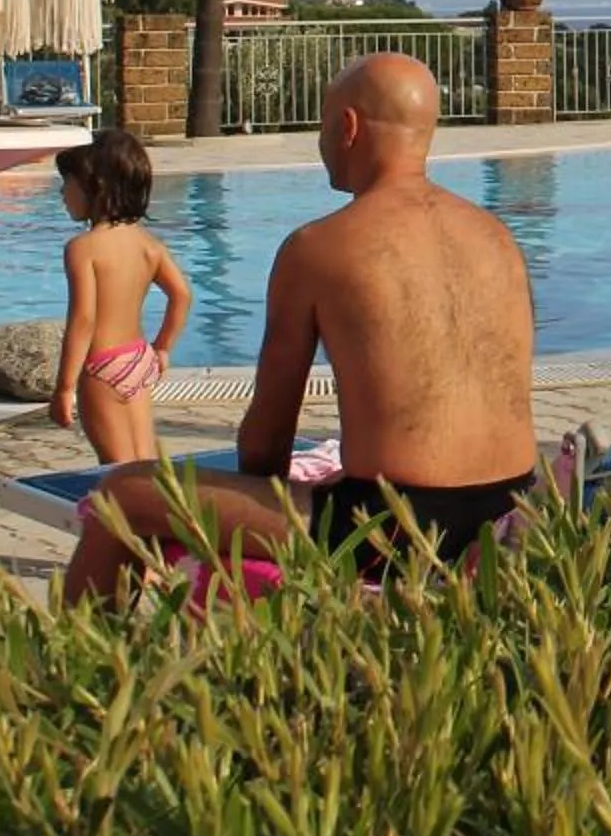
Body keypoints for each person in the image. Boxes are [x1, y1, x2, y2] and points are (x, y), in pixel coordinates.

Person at [60, 55, 537, 605]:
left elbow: (266, 440)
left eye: (324, 123)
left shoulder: (318, 248)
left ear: (349, 127)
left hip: (391, 528)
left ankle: (81, 675)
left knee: (122, 492)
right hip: (509, 508)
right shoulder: (497, 237)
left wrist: (261, 501)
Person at [48, 132, 194, 467]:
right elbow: (182, 295)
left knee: (117, 469)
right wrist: (163, 348)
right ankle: (157, 516)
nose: (61, 193)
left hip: (101, 368)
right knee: (144, 462)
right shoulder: (148, 244)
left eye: (67, 183)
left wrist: (64, 388)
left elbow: (84, 320)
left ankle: (119, 518)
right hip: (138, 359)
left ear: (94, 187)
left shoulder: (82, 248)